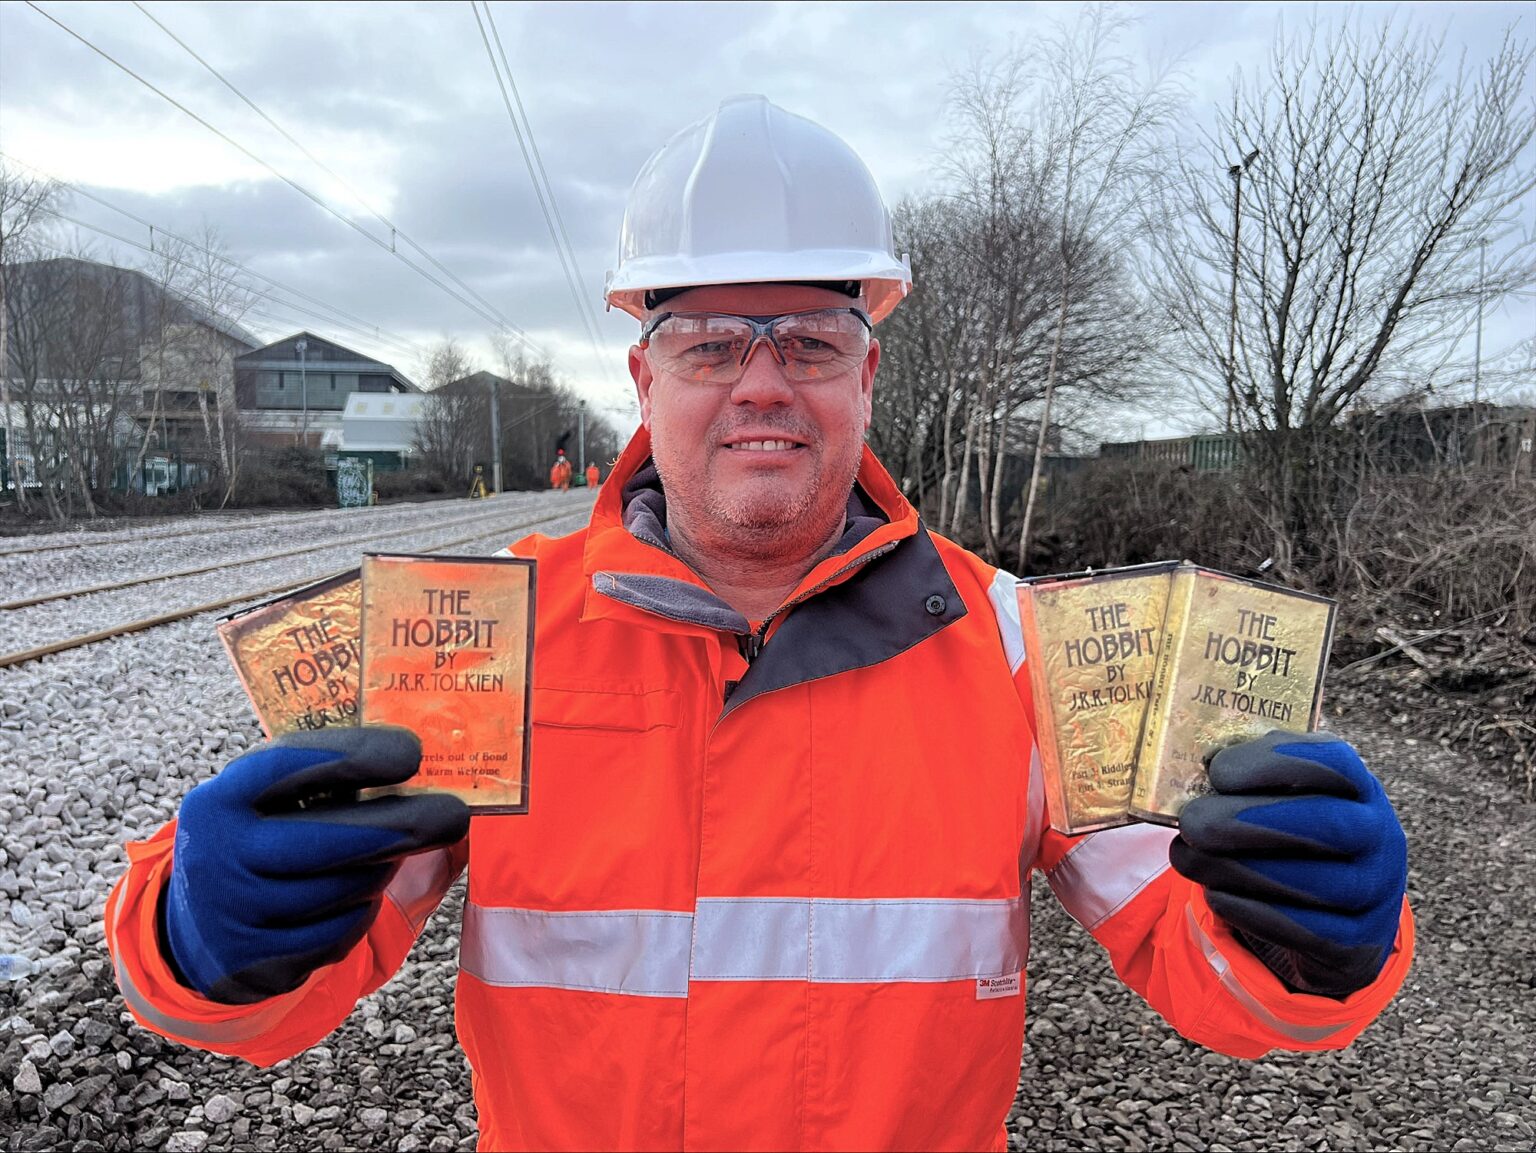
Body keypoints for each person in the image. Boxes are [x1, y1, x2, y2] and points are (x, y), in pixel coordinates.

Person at [106, 96, 1412, 1152]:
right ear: (642, 375)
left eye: (808, 341)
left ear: (869, 371)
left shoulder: (1021, 643)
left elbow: (1208, 971)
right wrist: (205, 938)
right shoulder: (477, 637)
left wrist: (1307, 937)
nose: (764, 386)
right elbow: (259, 1004)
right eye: (713, 344)